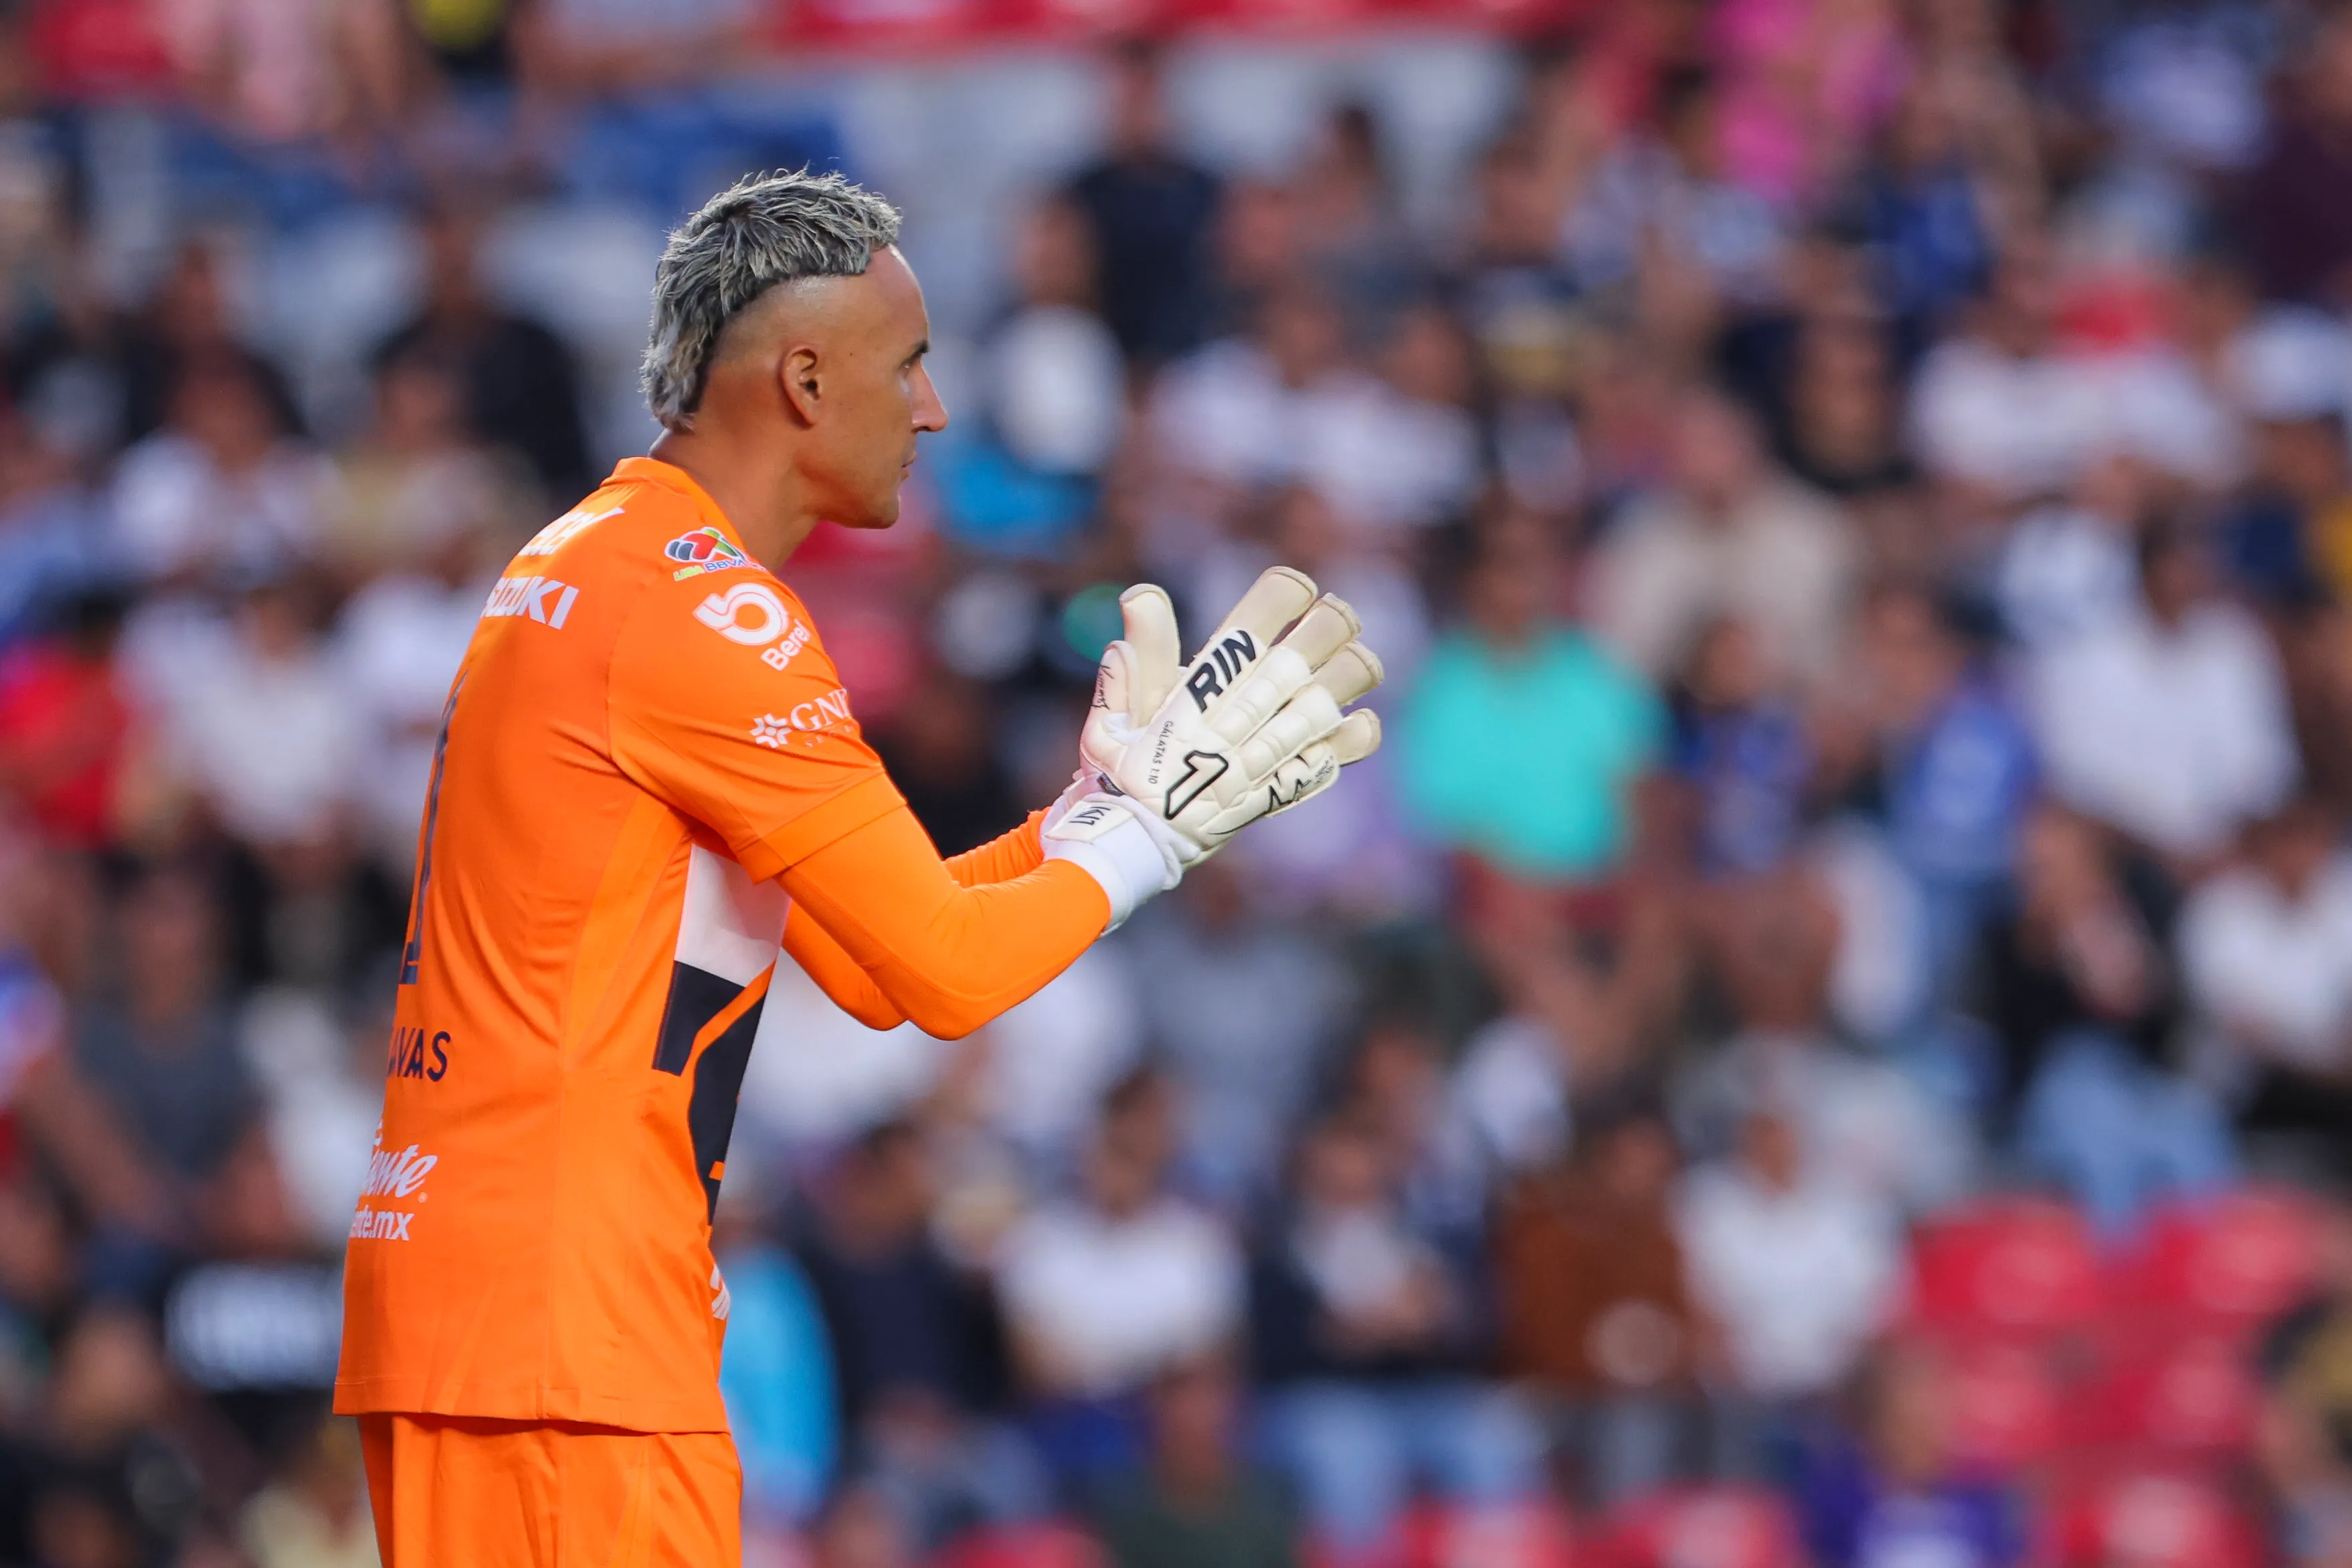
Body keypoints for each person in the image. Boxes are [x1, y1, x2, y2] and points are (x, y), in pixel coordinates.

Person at [335, 171, 1380, 1567]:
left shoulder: (589, 560)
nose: (934, 409)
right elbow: (944, 973)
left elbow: (876, 959)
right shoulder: (710, 615)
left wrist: (1093, 808)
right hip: (567, 1327)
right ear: (806, 379)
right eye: (911, 365)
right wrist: (1155, 837)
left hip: (491, 1295)